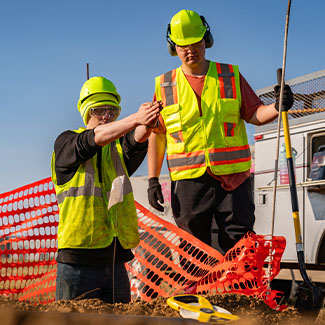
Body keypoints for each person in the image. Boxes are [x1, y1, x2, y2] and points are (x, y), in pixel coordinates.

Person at [147, 9, 293, 254]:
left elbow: (255, 113)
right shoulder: (165, 85)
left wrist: (277, 107)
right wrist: (152, 179)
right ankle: (198, 294)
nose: (190, 50)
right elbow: (157, 133)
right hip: (188, 183)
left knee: (240, 248)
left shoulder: (230, 76)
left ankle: (238, 293)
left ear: (207, 41)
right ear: (173, 47)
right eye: (183, 46)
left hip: (233, 181)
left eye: (196, 43)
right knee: (194, 252)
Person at [51, 76, 162, 303]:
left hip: (114, 262)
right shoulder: (66, 143)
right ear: (86, 111)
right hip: (77, 263)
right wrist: (135, 119)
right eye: (99, 110)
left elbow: (136, 140)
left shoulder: (116, 151)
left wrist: (147, 123)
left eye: (112, 111)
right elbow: (92, 140)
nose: (106, 117)